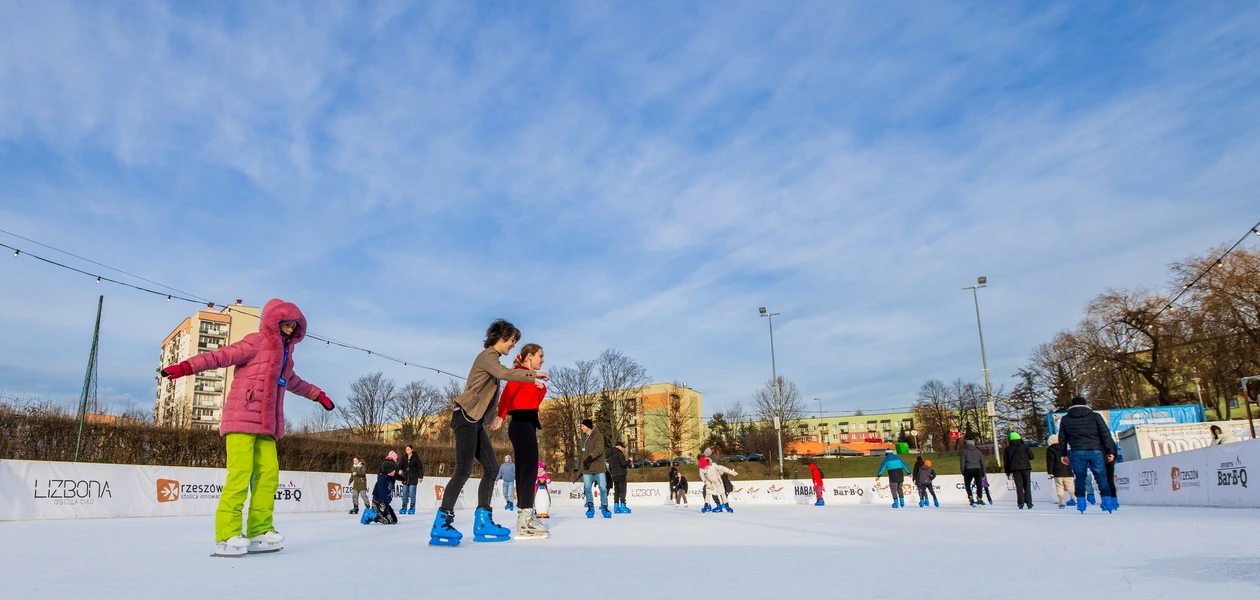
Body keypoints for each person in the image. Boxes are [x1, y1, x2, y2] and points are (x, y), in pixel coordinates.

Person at [159, 298, 333, 557]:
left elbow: (293, 382)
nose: (289, 329)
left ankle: (259, 531)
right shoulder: (256, 342)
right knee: (240, 477)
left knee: (269, 477)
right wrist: (186, 367)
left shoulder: (286, 358)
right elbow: (220, 356)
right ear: (273, 322)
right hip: (241, 420)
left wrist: (317, 395)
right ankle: (227, 534)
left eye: (293, 325)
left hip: (267, 425)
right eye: (285, 324)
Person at [430, 319, 548, 546]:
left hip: (474, 421)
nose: (513, 346)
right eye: (512, 341)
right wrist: (533, 375)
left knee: (492, 468)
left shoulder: (493, 360)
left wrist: (496, 417)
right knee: (463, 470)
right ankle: (441, 521)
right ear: (501, 337)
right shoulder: (488, 357)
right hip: (464, 416)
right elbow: (505, 374)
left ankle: (483, 521)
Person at [498, 343, 549, 537]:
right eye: (540, 356)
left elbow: (534, 402)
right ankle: (524, 519)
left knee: (529, 469)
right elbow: (507, 395)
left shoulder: (529, 379)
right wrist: (500, 416)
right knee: (527, 470)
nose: (542, 360)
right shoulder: (519, 374)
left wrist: (540, 387)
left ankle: (526, 514)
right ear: (529, 356)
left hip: (528, 423)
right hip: (519, 423)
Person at [1057, 396, 1117, 514]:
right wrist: (1110, 451)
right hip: (1095, 450)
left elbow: (1062, 438)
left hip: (1077, 451)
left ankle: (1081, 502)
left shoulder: (1066, 419)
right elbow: (1105, 434)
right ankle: (1107, 501)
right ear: (1085, 404)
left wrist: (1063, 454)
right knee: (1100, 476)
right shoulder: (1095, 416)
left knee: (1080, 477)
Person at [579, 419, 612, 518]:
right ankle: (590, 506)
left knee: (602, 488)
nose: (581, 428)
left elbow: (599, 449)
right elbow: (582, 454)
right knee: (587, 488)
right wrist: (583, 466)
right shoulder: (583, 439)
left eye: (583, 426)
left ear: (588, 426)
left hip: (598, 468)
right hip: (587, 469)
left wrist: (589, 458)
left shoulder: (598, 437)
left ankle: (604, 506)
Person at [364, 452, 403, 525]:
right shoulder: (382, 479)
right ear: (388, 470)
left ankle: (375, 513)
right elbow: (382, 494)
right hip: (379, 502)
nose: (395, 472)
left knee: (394, 520)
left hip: (385, 502)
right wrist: (386, 505)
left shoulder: (389, 478)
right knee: (387, 521)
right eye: (393, 470)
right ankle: (372, 516)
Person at [1004, 432, 1035, 510]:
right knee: (1027, 486)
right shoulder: (1025, 446)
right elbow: (1032, 457)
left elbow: (1006, 462)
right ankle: (1029, 503)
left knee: (1019, 486)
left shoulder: (1008, 449)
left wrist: (1007, 472)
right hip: (1026, 468)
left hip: (1015, 469)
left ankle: (1020, 503)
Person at [1045, 435, 1075, 508]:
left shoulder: (1050, 449)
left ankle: (1062, 502)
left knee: (1059, 487)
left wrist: (1050, 472)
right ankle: (1075, 499)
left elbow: (1050, 461)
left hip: (1057, 471)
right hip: (1067, 471)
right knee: (1070, 487)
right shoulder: (1064, 448)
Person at [959, 440, 987, 507]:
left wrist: (962, 470)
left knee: (968, 484)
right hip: (978, 469)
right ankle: (979, 498)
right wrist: (983, 471)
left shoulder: (964, 451)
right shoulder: (978, 451)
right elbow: (983, 462)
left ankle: (970, 497)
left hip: (968, 469)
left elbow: (962, 461)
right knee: (979, 485)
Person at [399, 445, 423, 515]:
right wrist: (400, 469)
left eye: (409, 449)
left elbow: (419, 467)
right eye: (406, 449)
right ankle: (404, 507)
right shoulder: (404, 458)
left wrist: (420, 476)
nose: (407, 451)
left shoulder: (416, 458)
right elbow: (400, 465)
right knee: (404, 494)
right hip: (405, 478)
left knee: (412, 494)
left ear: (412, 450)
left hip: (413, 477)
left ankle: (412, 507)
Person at [609, 442, 632, 514]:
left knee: (617, 491)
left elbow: (610, 467)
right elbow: (623, 464)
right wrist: (629, 460)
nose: (623, 449)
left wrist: (613, 473)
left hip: (615, 475)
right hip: (621, 474)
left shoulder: (611, 455)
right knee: (622, 490)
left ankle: (616, 507)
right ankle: (623, 506)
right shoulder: (619, 454)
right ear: (618, 447)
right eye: (622, 447)